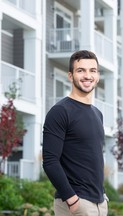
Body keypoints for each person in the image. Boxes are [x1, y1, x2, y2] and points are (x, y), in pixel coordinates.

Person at [42, 50, 108, 216]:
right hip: (77, 204)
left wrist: (103, 194)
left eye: (92, 70)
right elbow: (50, 161)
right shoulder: (60, 112)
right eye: (81, 70)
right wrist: (72, 199)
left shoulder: (97, 113)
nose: (87, 76)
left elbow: (94, 158)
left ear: (98, 76)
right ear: (70, 76)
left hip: (100, 203)